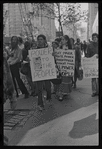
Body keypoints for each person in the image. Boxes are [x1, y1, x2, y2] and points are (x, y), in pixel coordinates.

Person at [32, 34, 52, 110]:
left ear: (44, 40)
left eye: (41, 39)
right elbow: (33, 59)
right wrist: (29, 58)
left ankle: (49, 97)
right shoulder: (34, 50)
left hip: (47, 71)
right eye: (38, 39)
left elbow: (51, 58)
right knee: (39, 89)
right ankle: (40, 104)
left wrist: (53, 55)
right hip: (39, 72)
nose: (39, 41)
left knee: (48, 88)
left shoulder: (48, 49)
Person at [53, 35, 72, 101]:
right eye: (61, 39)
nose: (62, 41)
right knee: (61, 80)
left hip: (68, 67)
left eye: (63, 39)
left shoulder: (70, 47)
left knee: (66, 80)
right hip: (61, 67)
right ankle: (61, 94)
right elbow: (56, 55)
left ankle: (65, 92)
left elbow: (72, 56)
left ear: (66, 40)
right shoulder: (59, 47)